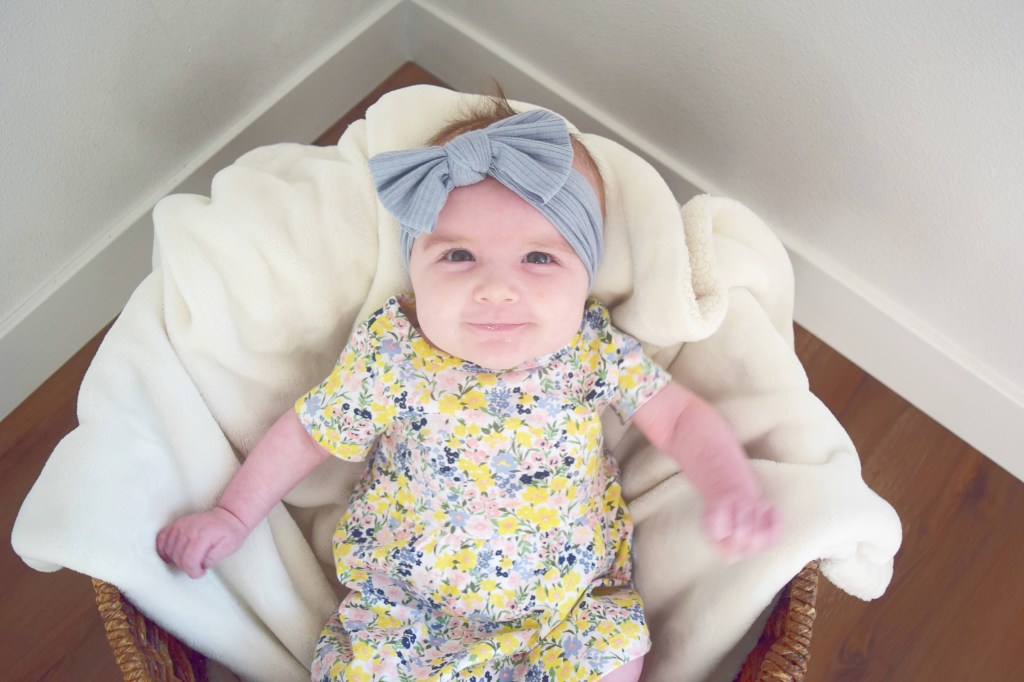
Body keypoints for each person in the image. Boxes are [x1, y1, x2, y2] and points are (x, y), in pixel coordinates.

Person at [157, 97, 781, 682]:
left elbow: (679, 419)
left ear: (585, 274)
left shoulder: (592, 350)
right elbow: (308, 431)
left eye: (539, 259)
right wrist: (232, 514)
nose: (497, 289)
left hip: (565, 605)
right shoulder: (394, 354)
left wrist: (729, 485)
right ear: (415, 270)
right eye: (458, 256)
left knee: (615, 657)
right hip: (412, 609)